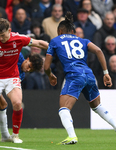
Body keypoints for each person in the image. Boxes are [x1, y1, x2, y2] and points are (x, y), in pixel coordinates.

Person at [44, 11, 116, 145]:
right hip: (89, 75)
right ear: (73, 31)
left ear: (60, 30)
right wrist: (106, 73)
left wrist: (50, 75)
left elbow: (46, 66)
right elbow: (99, 51)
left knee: (63, 109)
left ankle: (72, 136)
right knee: (96, 106)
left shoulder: (55, 40)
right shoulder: (83, 40)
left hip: (74, 75)